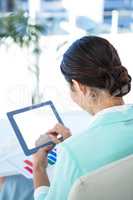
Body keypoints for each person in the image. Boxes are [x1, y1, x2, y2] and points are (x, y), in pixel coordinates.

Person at [33, 36, 133, 200]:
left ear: (80, 87)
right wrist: (73, 146)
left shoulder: (72, 153)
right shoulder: (73, 151)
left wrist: (38, 168)